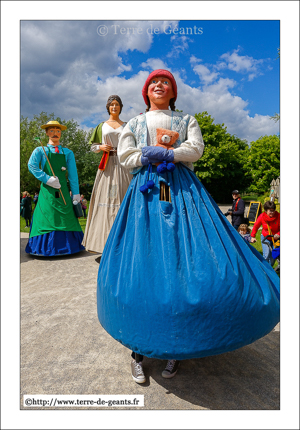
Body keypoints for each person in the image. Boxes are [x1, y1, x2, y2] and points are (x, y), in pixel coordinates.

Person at [96, 69, 280, 384]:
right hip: (146, 193)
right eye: (153, 81)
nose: (158, 84)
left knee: (183, 261)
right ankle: (138, 351)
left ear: (173, 91)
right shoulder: (135, 123)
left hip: (183, 192)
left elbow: (196, 148)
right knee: (143, 264)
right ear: (146, 92)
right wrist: (148, 155)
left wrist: (169, 153)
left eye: (164, 81)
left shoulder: (185, 120)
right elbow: (125, 155)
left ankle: (174, 346)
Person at [82, 95, 132, 260]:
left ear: (120, 107)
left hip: (124, 166)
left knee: (124, 201)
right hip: (108, 166)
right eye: (112, 104)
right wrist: (100, 147)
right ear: (108, 107)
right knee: (107, 201)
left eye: (117, 104)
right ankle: (104, 244)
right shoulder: (101, 126)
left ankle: (125, 245)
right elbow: (92, 146)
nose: (114, 107)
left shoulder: (127, 125)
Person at [25, 120, 85, 256]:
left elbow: (73, 175)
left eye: (58, 131)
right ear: (46, 133)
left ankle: (70, 246)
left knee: (66, 217)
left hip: (63, 190)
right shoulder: (40, 150)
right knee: (48, 216)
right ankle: (45, 247)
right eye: (51, 131)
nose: (55, 133)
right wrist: (47, 179)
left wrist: (76, 193)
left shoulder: (68, 152)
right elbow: (32, 165)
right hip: (47, 192)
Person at [250, 200, 280, 266]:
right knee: (266, 255)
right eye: (270, 210)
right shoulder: (262, 216)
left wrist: (278, 234)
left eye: (273, 210)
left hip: (276, 239)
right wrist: (253, 236)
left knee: (273, 257)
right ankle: (265, 271)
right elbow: (255, 226)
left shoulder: (278, 216)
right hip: (265, 237)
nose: (272, 212)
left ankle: (270, 270)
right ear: (266, 210)